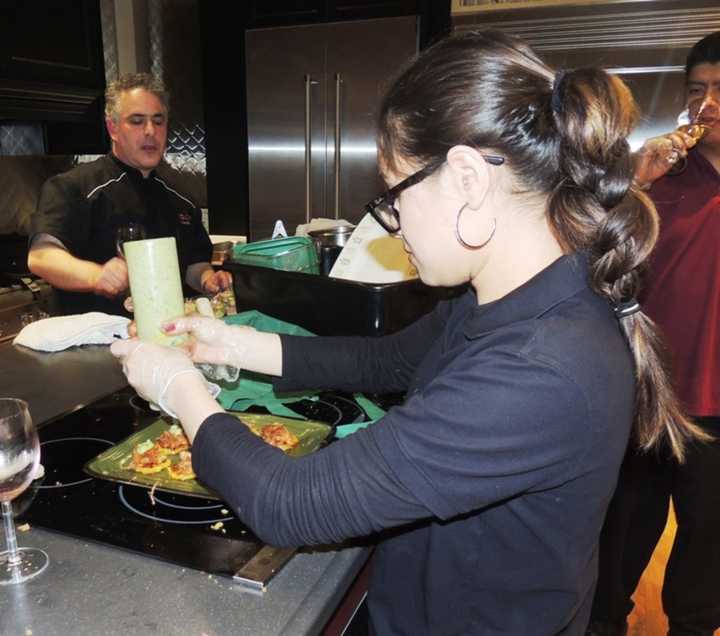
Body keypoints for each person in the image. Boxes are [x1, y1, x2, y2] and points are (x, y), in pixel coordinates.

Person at [112, 31, 703, 635]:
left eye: (395, 194)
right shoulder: (499, 296)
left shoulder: (541, 367)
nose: (391, 225)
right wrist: (232, 344)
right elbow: (385, 362)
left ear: (468, 178)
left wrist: (180, 386)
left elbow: (291, 503)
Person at [586, 31, 720, 636]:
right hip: (648, 391)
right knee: (619, 539)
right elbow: (585, 246)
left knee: (708, 546)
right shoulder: (660, 174)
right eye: (698, 90)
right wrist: (634, 179)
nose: (708, 104)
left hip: (718, 409)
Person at [27, 73, 231, 316]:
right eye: (136, 121)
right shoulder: (73, 187)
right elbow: (41, 257)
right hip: (92, 345)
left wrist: (208, 279)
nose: (150, 131)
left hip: (165, 340)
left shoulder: (180, 199)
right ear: (113, 128)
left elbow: (193, 265)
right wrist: (97, 275)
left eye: (158, 121)